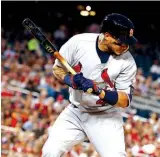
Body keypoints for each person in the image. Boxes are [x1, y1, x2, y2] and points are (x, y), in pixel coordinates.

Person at [42, 13, 138, 157]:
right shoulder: (78, 43)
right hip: (76, 111)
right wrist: (71, 81)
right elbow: (58, 69)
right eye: (120, 42)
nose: (125, 47)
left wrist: (98, 91)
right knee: (50, 152)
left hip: (106, 116)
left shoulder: (128, 62)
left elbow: (125, 100)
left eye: (127, 43)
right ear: (107, 35)